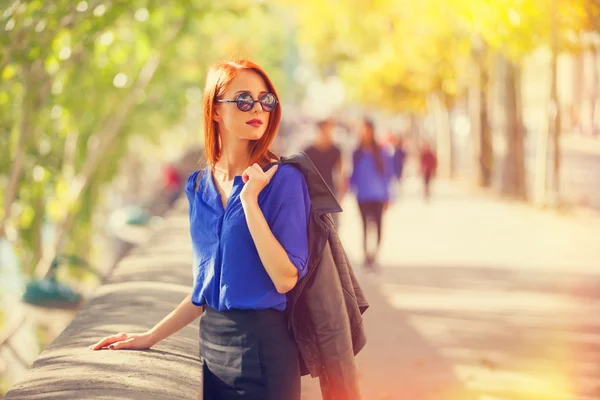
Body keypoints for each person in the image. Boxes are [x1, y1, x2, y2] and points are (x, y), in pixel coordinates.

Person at [90, 59, 311, 400]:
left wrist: (251, 203)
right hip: (210, 352)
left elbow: (284, 279)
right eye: (243, 99)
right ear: (216, 111)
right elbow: (203, 291)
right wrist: (148, 337)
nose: (258, 108)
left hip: (264, 355)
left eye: (265, 100)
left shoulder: (284, 181)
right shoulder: (198, 186)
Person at [349, 118, 394, 270]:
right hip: (362, 196)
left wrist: (389, 195)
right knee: (364, 227)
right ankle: (366, 256)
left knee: (379, 226)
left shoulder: (381, 151)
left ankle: (375, 256)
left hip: (378, 196)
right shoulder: (356, 152)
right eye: (363, 130)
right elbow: (353, 175)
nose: (365, 133)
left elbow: (388, 175)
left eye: (367, 129)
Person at [303, 118, 346, 224]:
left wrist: (340, 197)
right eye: (325, 130)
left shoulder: (336, 151)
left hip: (331, 193)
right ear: (319, 131)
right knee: (314, 226)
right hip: (313, 194)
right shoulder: (308, 151)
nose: (328, 133)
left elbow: (341, 175)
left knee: (333, 228)